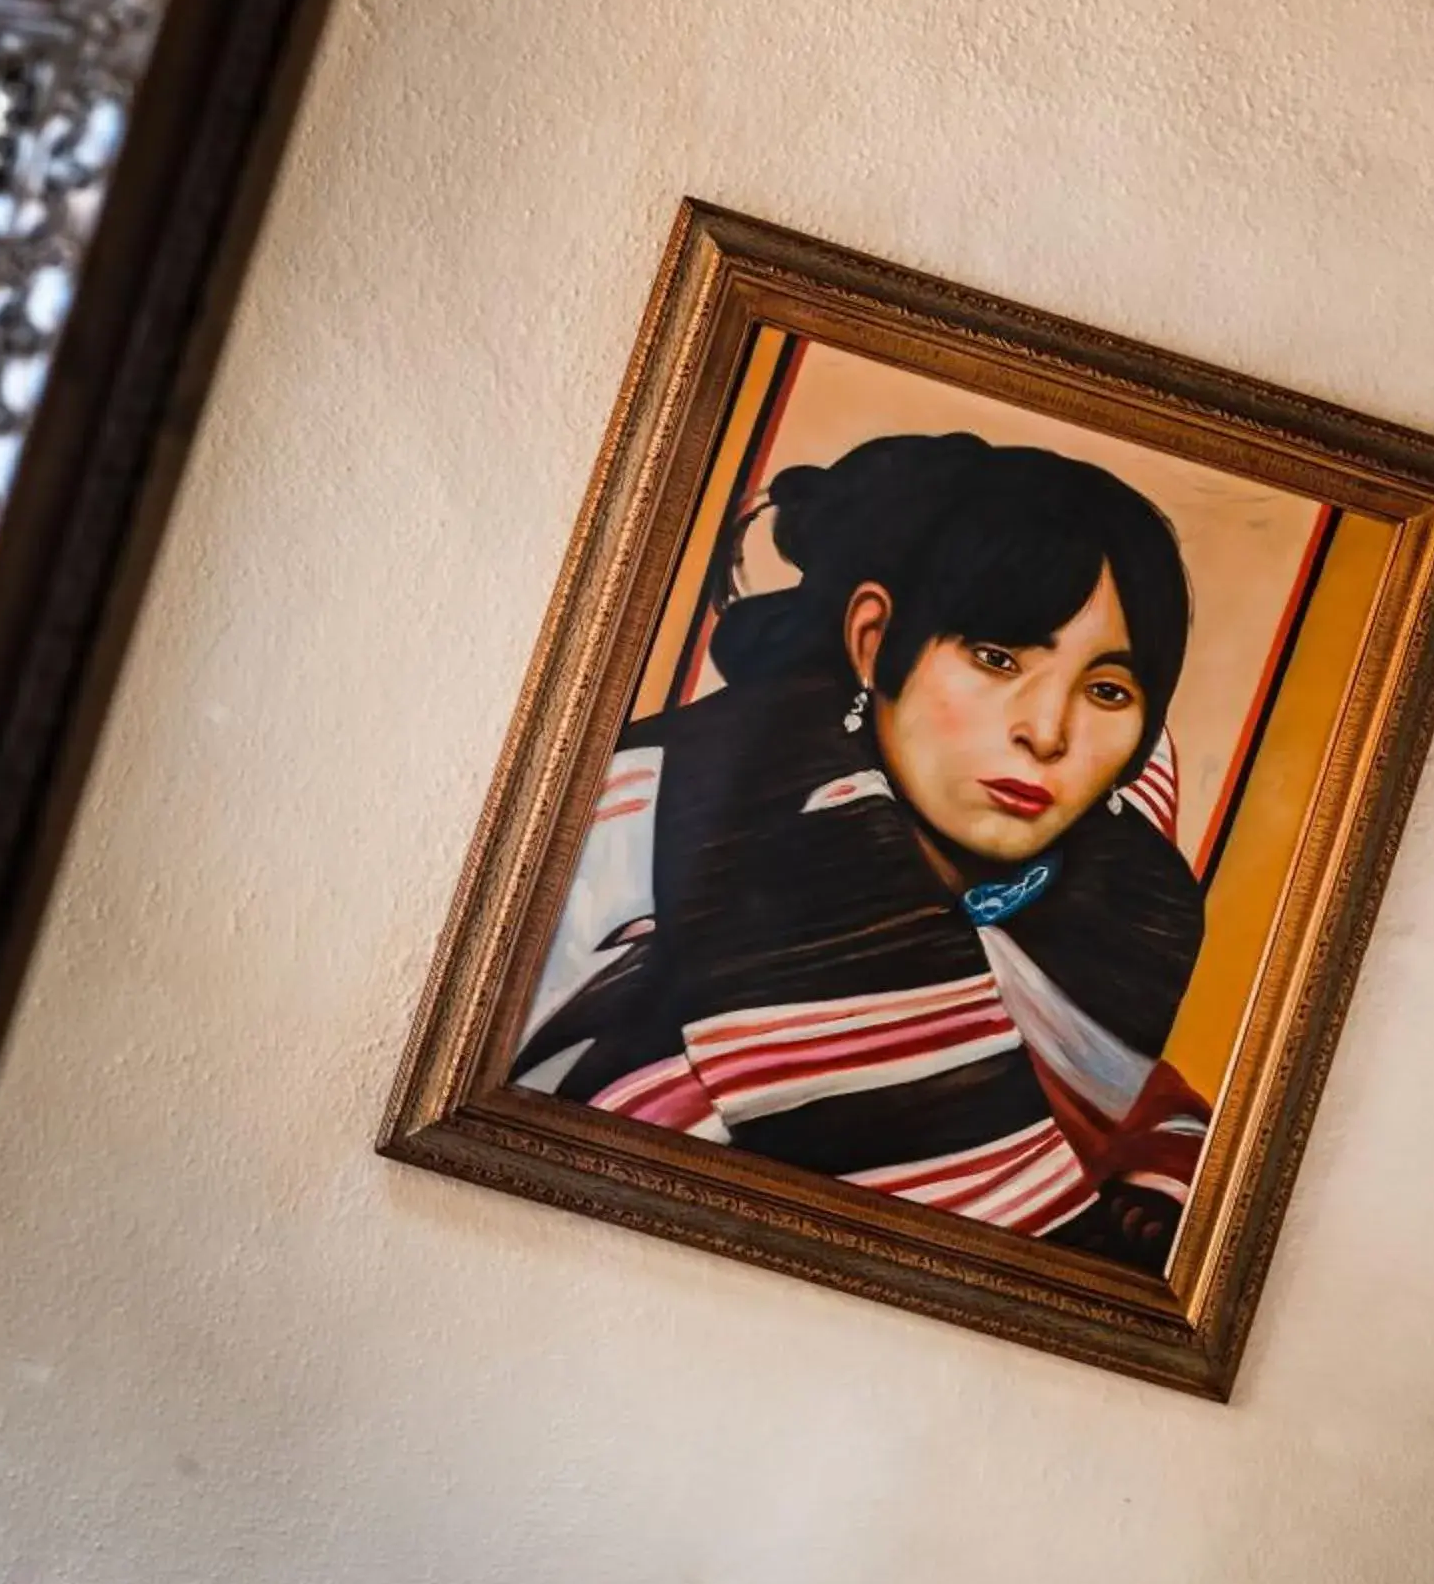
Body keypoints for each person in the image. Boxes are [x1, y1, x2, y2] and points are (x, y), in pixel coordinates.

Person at [513, 432, 1213, 1271]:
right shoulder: (665, 826)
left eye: (1107, 690)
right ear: (876, 641)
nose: (1047, 732)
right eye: (996, 658)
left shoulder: (1127, 915)